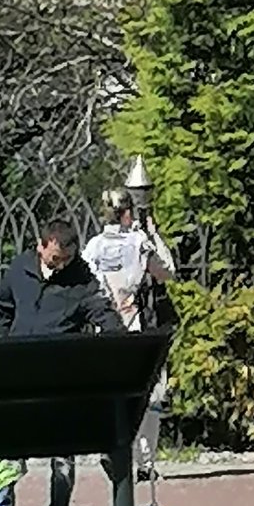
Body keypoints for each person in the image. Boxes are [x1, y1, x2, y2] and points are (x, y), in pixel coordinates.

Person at [0, 218, 124, 506]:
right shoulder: (20, 268)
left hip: (59, 376)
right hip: (17, 375)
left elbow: (100, 310)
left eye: (67, 259)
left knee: (63, 459)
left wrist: (120, 339)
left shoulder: (81, 277)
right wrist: (3, 344)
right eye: (55, 259)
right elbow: (2, 308)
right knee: (5, 458)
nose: (60, 266)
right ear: (41, 246)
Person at [83, 187, 175, 483]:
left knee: (112, 395)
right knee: (147, 397)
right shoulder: (138, 242)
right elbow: (167, 271)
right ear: (127, 213)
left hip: (104, 329)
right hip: (135, 327)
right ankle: (144, 462)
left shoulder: (94, 246)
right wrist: (153, 234)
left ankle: (112, 448)